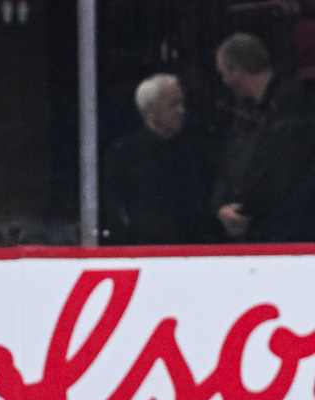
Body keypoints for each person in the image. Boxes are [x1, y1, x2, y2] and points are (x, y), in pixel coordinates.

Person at [210, 33, 315, 242]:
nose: (224, 81)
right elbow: (227, 164)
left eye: (224, 73)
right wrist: (221, 206)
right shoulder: (241, 112)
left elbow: (281, 173)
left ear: (238, 70)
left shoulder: (296, 108)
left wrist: (244, 210)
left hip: (288, 234)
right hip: (253, 231)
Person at [100, 73, 213, 245]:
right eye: (173, 105)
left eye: (182, 103)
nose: (181, 110)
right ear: (150, 112)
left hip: (192, 250)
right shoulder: (122, 155)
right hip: (144, 251)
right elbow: (115, 212)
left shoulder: (195, 152)